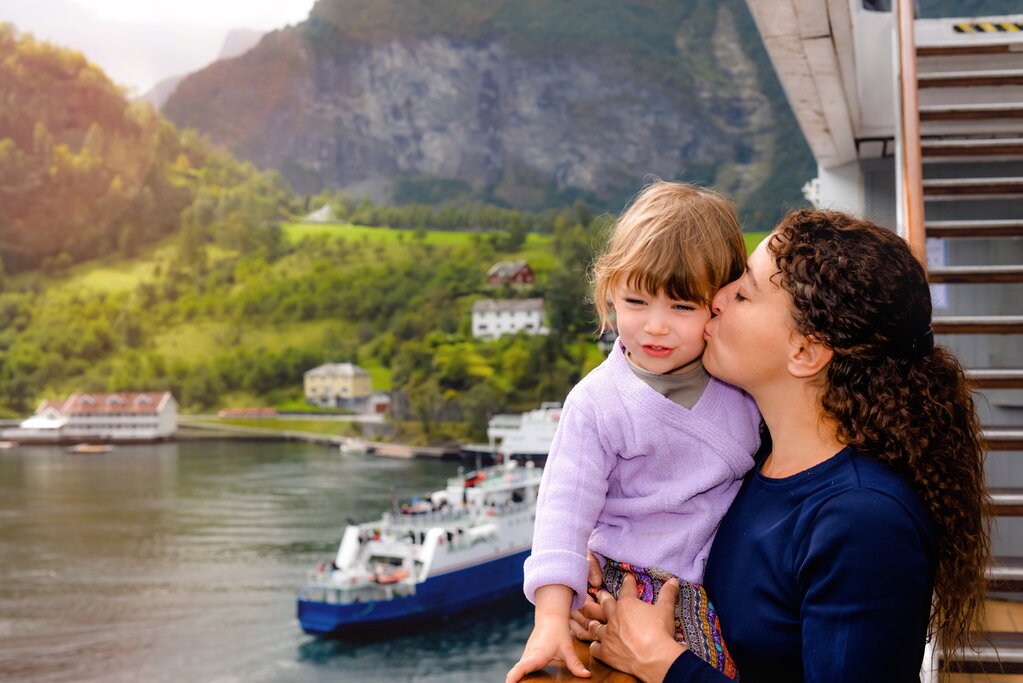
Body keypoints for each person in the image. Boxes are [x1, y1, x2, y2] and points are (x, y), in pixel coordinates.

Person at [580, 209, 990, 682]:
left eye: (744, 292)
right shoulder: (752, 458)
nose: (715, 299)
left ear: (805, 352)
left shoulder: (862, 520)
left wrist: (662, 663)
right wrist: (608, 584)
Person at [506, 182, 762, 682]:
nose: (656, 327)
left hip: (720, 593)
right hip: (624, 585)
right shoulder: (596, 403)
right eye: (637, 301)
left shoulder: (745, 387)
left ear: (723, 302)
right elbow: (562, 515)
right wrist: (552, 619)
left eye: (683, 307)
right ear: (608, 292)